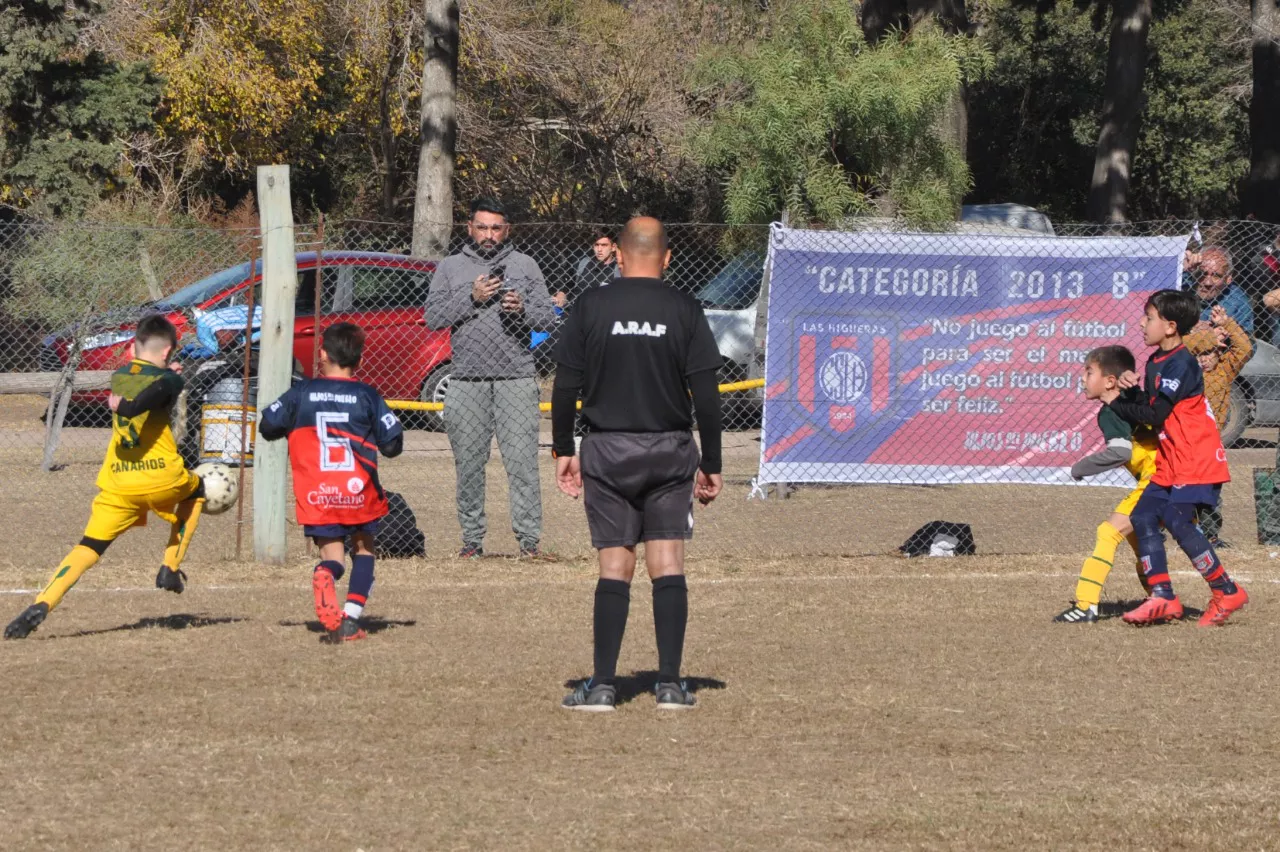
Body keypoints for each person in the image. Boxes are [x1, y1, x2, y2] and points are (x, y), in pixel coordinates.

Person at [551, 216, 724, 711]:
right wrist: (710, 460)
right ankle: (670, 684)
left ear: (620, 256)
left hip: (608, 450)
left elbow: (566, 386)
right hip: (670, 450)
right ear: (667, 259)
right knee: (667, 563)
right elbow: (708, 396)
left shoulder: (590, 305)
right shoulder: (685, 308)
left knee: (614, 565)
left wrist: (564, 449)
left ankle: (602, 684)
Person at [5, 315, 206, 639]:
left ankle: (41, 604)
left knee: (88, 547)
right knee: (198, 492)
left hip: (119, 484)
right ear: (168, 350)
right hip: (161, 479)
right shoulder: (169, 381)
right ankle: (170, 566)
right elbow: (147, 397)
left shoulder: (122, 374)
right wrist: (168, 380)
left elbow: (142, 387)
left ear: (132, 348)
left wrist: (156, 381)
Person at [424, 197, 557, 558]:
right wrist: (471, 297)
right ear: (469, 228)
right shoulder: (450, 268)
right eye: (481, 227)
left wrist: (524, 310)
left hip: (516, 378)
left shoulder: (525, 265)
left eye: (495, 228)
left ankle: (529, 543)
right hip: (466, 380)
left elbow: (548, 318)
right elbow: (433, 317)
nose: (488, 234)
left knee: (523, 464)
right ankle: (471, 542)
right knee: (468, 465)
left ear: (507, 230)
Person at [1108, 290, 1249, 626]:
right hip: (1173, 458)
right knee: (1142, 516)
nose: (1142, 323)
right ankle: (1163, 597)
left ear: (1170, 326)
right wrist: (1131, 392)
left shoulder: (1182, 362)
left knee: (1176, 520)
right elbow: (1155, 407)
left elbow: (1155, 415)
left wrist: (1115, 400)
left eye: (1149, 317)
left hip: (1195, 458)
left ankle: (1225, 590)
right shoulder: (1157, 360)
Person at [259, 323, 404, 643]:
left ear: (322, 354)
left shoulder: (301, 393)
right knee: (364, 550)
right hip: (358, 491)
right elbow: (393, 444)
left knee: (333, 558)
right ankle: (349, 619)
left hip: (317, 494)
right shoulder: (367, 395)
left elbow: (268, 425)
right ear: (359, 361)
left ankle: (326, 575)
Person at [1055, 346, 1157, 623]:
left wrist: (1079, 468)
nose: (1083, 378)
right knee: (1139, 537)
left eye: (1089, 372)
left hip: (1158, 481)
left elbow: (1120, 452)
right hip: (1174, 479)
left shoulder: (1111, 411)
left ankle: (1086, 604)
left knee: (1108, 532)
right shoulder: (1135, 400)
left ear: (1110, 381)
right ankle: (1159, 597)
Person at [1183, 304, 1252, 548]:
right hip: (1185, 440)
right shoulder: (1186, 370)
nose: (1204, 359)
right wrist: (1206, 336)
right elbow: (1182, 346)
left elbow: (1244, 348)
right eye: (1200, 354)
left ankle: (1211, 535)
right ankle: (1180, 530)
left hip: (1211, 442)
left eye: (1209, 353)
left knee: (1212, 491)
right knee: (1181, 489)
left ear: (1219, 353)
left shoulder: (1223, 370)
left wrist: (1226, 324)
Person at [1183, 246, 1255, 340]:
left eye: (1216, 276)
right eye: (1203, 273)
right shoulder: (1183, 285)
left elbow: (1248, 345)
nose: (1207, 282)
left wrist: (1214, 334)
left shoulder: (1238, 303)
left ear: (1228, 279)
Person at [554, 229, 619, 310]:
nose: (599, 249)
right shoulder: (582, 263)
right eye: (596, 245)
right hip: (574, 311)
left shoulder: (619, 269)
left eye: (604, 245)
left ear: (613, 247)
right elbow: (568, 284)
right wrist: (562, 293)